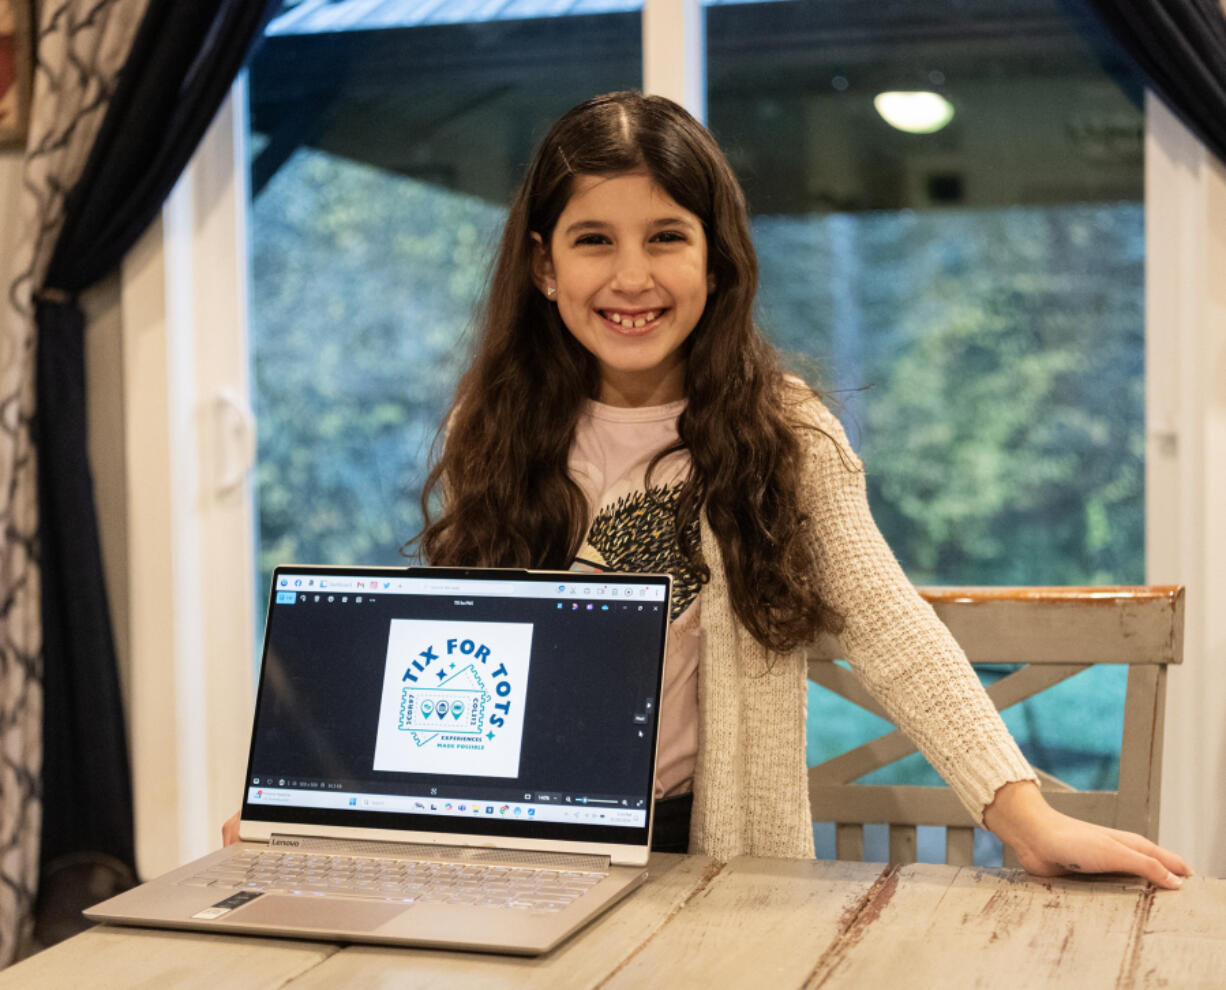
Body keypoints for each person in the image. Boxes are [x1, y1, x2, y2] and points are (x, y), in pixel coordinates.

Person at [226, 92, 1189, 889]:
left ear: (716, 260)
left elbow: (892, 629)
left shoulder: (786, 433)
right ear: (544, 267)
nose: (632, 276)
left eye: (667, 237)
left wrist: (1023, 818)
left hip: (714, 858)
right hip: (520, 857)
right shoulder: (490, 428)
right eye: (594, 239)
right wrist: (318, 812)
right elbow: (456, 669)